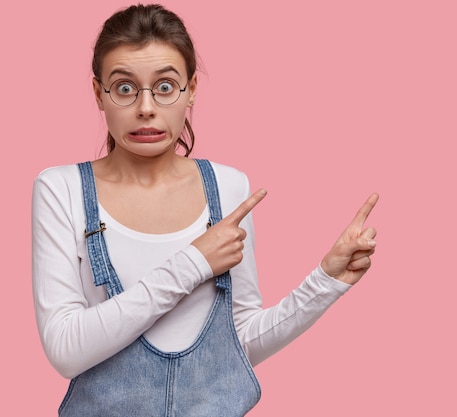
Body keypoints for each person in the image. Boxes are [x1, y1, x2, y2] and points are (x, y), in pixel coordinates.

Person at [31, 3, 378, 416]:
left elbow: (239, 342)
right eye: (125, 88)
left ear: (191, 89)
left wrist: (326, 281)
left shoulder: (228, 188)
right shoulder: (61, 189)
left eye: (165, 87)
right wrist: (194, 262)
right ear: (98, 94)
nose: (145, 107)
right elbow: (66, 350)